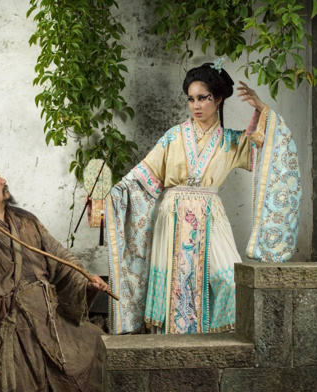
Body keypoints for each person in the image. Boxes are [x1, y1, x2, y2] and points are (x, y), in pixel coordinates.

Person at [106, 61, 301, 335]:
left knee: (228, 282)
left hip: (211, 216)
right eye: (191, 99)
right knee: (173, 285)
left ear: (218, 99)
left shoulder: (231, 142)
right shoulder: (173, 137)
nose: (196, 106)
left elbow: (269, 149)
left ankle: (216, 346)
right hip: (172, 219)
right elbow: (142, 177)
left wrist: (262, 111)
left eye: (203, 98)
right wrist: (112, 196)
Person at [0, 158, 108, 392]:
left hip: (49, 324)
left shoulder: (27, 222)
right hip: (11, 334)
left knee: (93, 348)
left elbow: (60, 258)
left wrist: (85, 281)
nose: (3, 180)